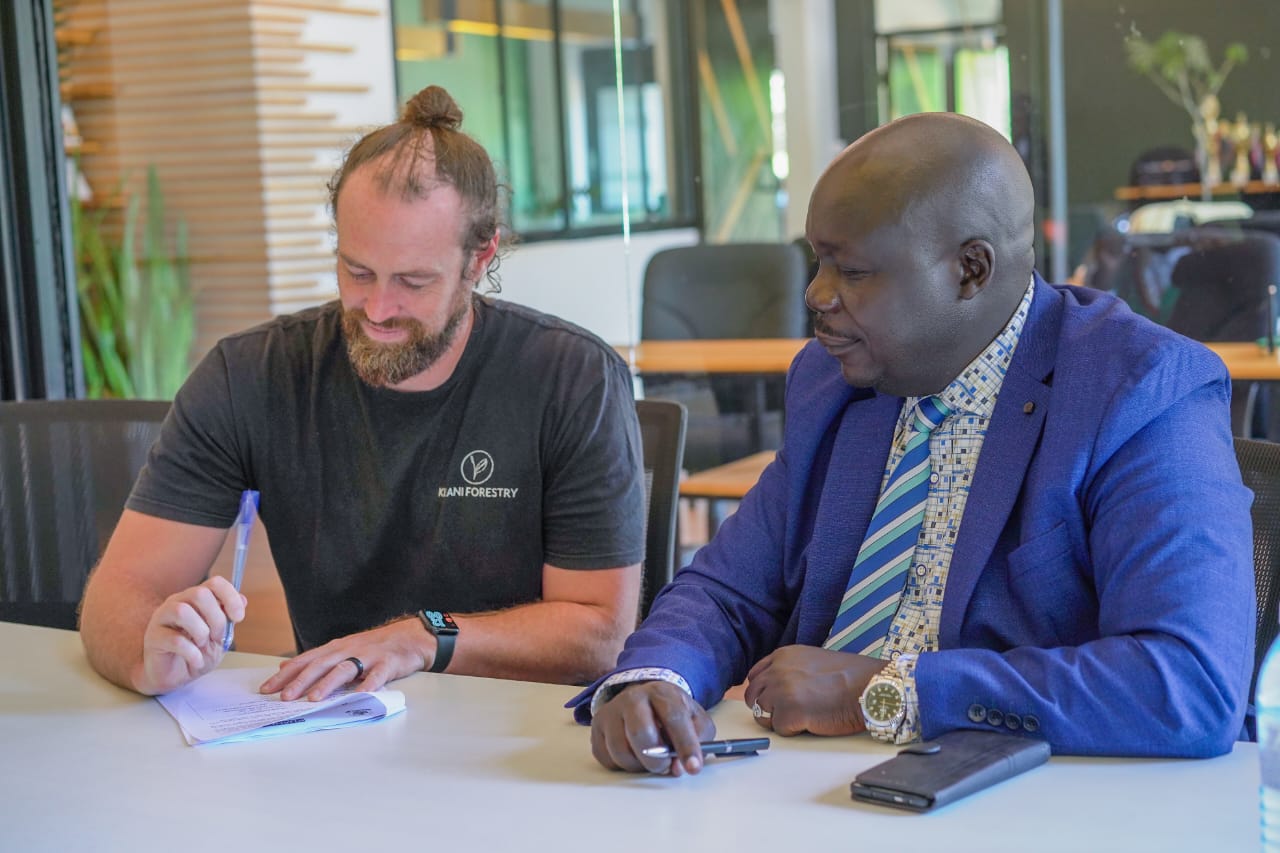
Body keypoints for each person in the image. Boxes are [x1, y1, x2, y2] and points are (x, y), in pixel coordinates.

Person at [578, 112, 1255, 776]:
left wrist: (885, 691)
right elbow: (729, 587)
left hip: (1026, 803)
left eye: (854, 272)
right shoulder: (835, 379)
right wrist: (656, 677)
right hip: (805, 790)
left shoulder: (1137, 388)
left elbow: (1188, 682)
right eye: (818, 261)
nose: (817, 294)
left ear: (970, 270)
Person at [80, 85, 646, 701]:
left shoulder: (570, 379)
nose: (377, 308)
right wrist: (149, 649)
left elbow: (599, 635)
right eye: (357, 271)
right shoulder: (250, 375)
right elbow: (121, 591)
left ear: (479, 259)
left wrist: (419, 639)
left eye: (412, 281)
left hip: (519, 730)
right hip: (335, 724)